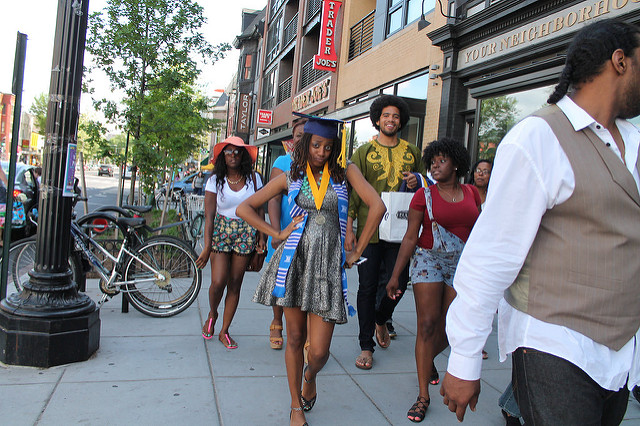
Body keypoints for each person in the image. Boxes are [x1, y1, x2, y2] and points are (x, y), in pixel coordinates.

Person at [440, 19, 640, 425]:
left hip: (620, 353)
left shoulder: (633, 140)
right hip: (555, 347)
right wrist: (463, 359)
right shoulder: (538, 137)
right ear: (619, 61)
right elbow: (492, 255)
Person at [237, 115, 386, 426]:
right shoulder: (290, 176)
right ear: (305, 145)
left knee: (318, 352)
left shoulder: (345, 175)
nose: (322, 152)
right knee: (294, 338)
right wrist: (275, 234)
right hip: (294, 263)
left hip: (327, 269)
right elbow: (245, 208)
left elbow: (378, 206)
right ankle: (295, 405)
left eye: (328, 147)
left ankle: (310, 375)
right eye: (316, 145)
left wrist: (356, 251)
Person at [386, 137, 480, 422]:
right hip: (428, 259)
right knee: (426, 325)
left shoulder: (473, 193)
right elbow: (410, 237)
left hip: (461, 264)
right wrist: (395, 275)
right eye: (433, 161)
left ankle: (428, 362)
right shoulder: (422, 196)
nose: (435, 165)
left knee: (449, 327)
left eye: (442, 160)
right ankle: (423, 395)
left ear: (456, 164)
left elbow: (480, 234)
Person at [346, 94, 427, 370]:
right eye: (386, 116)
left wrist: (418, 180)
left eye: (395, 116)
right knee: (367, 287)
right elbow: (354, 193)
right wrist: (349, 227)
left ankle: (381, 318)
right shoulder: (363, 153)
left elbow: (425, 188)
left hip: (402, 231)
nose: (391, 120)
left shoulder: (412, 152)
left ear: (401, 120)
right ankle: (366, 345)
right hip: (370, 231)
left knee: (399, 283)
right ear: (377, 119)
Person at [195, 136, 265, 349]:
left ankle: (224, 330)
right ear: (222, 156)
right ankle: (213, 313)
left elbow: (260, 209)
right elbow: (209, 216)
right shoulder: (215, 180)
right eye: (228, 151)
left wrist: (261, 239)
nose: (233, 155)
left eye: (237, 151)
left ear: (243, 155)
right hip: (221, 232)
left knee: (235, 284)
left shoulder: (254, 179)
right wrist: (207, 247)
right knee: (218, 282)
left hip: (246, 232)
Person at [264, 117, 307, 351]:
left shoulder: (318, 164)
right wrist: (275, 231)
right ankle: (277, 321)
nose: (303, 139)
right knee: (280, 279)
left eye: (306, 135)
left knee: (303, 280)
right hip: (284, 231)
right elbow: (273, 198)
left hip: (308, 234)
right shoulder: (282, 161)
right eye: (299, 135)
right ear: (293, 137)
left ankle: (303, 331)